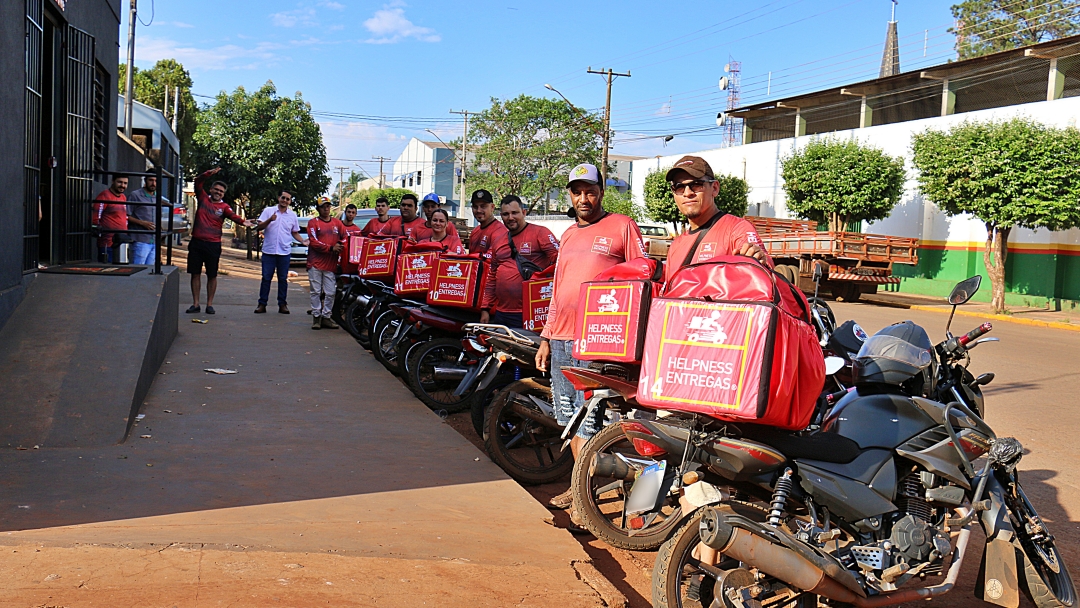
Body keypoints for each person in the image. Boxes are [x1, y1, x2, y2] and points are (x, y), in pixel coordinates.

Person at [535, 163, 646, 514]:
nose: (584, 197)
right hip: (562, 336)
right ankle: (581, 487)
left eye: (590, 190)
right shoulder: (567, 235)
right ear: (569, 194)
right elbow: (558, 289)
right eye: (577, 191)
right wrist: (546, 337)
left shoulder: (622, 226)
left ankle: (586, 495)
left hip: (598, 339)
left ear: (601, 192)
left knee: (595, 417)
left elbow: (643, 275)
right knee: (568, 415)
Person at [663, 155, 771, 280]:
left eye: (696, 185)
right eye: (679, 187)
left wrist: (759, 260)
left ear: (714, 188)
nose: (687, 193)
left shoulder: (736, 229)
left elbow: (765, 274)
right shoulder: (675, 246)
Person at [479, 195, 559, 329]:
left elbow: (560, 264)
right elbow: (492, 277)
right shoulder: (498, 241)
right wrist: (485, 308)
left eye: (514, 213)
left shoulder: (540, 233)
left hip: (531, 313)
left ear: (524, 212)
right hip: (502, 313)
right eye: (505, 214)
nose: (510, 217)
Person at [187, 168, 254, 314]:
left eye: (221, 191)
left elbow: (233, 216)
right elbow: (198, 181)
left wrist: (244, 222)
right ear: (211, 189)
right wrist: (208, 173)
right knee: (195, 273)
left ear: (223, 194)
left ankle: (209, 305)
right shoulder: (203, 198)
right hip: (197, 243)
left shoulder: (224, 207)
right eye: (216, 189)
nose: (218, 192)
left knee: (212, 275)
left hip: (213, 245)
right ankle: (196, 303)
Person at [254, 189, 306, 314]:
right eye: (283, 198)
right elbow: (259, 227)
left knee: (283, 279)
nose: (285, 201)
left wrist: (303, 241)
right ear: (278, 198)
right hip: (269, 251)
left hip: (284, 252)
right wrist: (270, 220)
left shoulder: (292, 215)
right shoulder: (268, 211)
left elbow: (294, 232)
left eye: (288, 199)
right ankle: (262, 304)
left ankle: (282, 304)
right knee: (266, 278)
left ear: (290, 201)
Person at [306, 200, 347, 329]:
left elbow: (346, 237)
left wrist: (340, 245)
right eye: (323, 207)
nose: (326, 209)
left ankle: (326, 317)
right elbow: (313, 241)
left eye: (328, 206)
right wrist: (331, 248)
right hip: (315, 264)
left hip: (330, 265)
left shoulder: (337, 223)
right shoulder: (313, 223)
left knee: (330, 292)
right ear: (318, 209)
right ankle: (316, 317)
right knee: (316, 292)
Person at [91, 175, 130, 263]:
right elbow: (96, 214)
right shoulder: (105, 195)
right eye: (119, 182)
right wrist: (97, 228)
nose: (122, 185)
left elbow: (125, 216)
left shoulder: (123, 197)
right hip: (107, 242)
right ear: (112, 181)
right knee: (107, 269)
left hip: (122, 242)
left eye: (125, 183)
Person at [125, 176, 162, 266]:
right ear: (145, 180)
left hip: (154, 240)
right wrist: (142, 223)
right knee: (137, 268)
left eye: (156, 181)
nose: (153, 183)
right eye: (151, 180)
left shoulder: (157, 197)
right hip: (140, 239)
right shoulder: (135, 195)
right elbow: (126, 215)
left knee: (150, 271)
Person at [467, 189, 507, 257]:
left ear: (492, 207)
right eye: (475, 207)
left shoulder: (500, 231)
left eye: (483, 206)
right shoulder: (474, 232)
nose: (479, 210)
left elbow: (493, 259)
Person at [339, 203, 364, 275]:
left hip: (349, 261)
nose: (350, 214)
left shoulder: (357, 230)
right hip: (336, 259)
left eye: (353, 213)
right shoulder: (338, 225)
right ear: (345, 212)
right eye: (349, 212)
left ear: (356, 214)